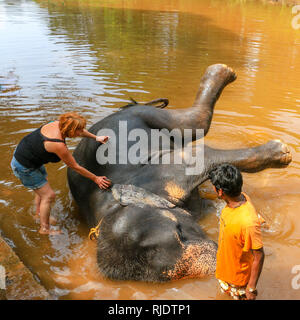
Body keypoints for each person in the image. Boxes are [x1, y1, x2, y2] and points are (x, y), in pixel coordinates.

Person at [10, 112, 111, 235]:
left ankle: (38, 214)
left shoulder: (60, 124)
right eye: (77, 131)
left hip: (31, 158)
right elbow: (75, 166)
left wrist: (96, 138)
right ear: (69, 129)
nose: (80, 133)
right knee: (49, 195)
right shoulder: (58, 145)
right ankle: (44, 229)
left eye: (81, 129)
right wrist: (96, 178)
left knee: (42, 187)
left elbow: (79, 131)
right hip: (24, 166)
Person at [209, 164, 265, 300]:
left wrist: (251, 288)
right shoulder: (241, 198)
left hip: (238, 282)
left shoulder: (247, 222)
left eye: (214, 187)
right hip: (225, 273)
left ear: (220, 192)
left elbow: (259, 255)